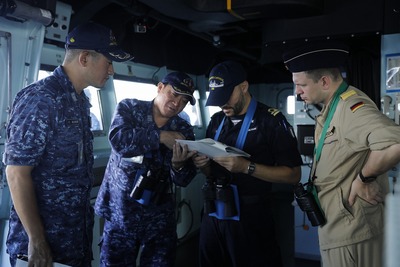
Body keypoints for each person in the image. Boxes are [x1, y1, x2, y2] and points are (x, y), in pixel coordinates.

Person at [2, 22, 132, 267]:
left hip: (73, 242)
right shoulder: (41, 99)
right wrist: (37, 240)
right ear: (84, 58)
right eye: (108, 62)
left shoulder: (79, 101)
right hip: (43, 249)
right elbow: (16, 173)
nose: (112, 70)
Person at [282, 41, 400, 267]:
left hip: (352, 232)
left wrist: (365, 178)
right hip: (339, 226)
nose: (297, 92)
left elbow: (395, 142)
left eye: (301, 85)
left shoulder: (351, 108)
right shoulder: (333, 107)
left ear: (324, 81)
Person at [192, 60, 303, 267]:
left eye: (226, 97)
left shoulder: (272, 121)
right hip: (214, 211)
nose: (222, 104)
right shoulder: (217, 121)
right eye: (217, 99)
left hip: (251, 216)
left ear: (244, 87)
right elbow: (210, 171)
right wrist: (203, 164)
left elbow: (293, 175)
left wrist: (246, 167)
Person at [94, 71, 198, 266]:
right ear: (160, 87)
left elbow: (184, 179)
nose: (177, 103)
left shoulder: (184, 129)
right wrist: (160, 136)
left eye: (184, 100)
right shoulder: (129, 108)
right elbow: (119, 140)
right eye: (173, 94)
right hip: (120, 214)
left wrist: (178, 165)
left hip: (159, 218)